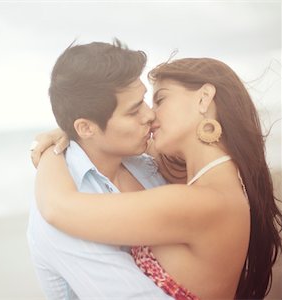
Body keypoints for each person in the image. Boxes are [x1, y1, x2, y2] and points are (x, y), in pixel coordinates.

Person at [32, 57, 282, 299]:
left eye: (160, 99)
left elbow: (57, 207)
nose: (151, 114)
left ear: (204, 99)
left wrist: (50, 155)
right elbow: (114, 144)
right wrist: (76, 131)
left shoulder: (202, 201)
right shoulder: (205, 179)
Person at [27, 40, 176, 299]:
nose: (150, 115)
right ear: (86, 128)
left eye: (144, 100)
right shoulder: (64, 212)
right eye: (133, 111)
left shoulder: (142, 161)